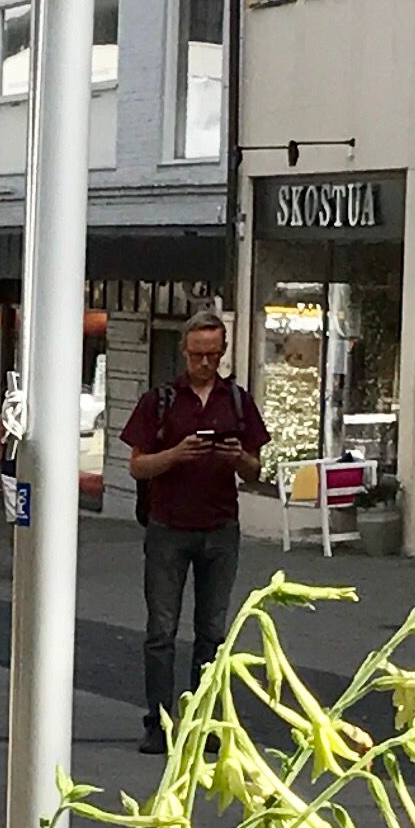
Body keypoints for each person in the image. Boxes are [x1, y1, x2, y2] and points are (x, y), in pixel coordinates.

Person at [118, 309, 269, 751]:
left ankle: (204, 722)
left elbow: (256, 472)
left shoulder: (237, 400)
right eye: (197, 354)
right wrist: (177, 455)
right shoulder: (160, 400)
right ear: (184, 351)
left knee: (212, 632)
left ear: (223, 353)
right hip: (168, 526)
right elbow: (137, 465)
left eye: (213, 355)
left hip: (220, 528)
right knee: (161, 630)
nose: (205, 363)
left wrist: (236, 458)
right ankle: (159, 722)